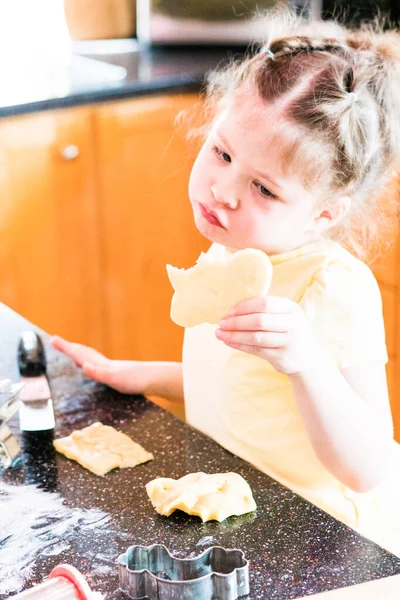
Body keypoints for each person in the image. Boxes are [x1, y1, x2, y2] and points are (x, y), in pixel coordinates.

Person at [52, 8, 400, 555]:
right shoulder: (235, 251)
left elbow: (368, 467)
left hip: (324, 539)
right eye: (222, 153)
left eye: (264, 189)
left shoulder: (334, 286)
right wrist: (134, 374)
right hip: (242, 519)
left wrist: (305, 360)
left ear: (323, 216)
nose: (224, 192)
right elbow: (242, 393)